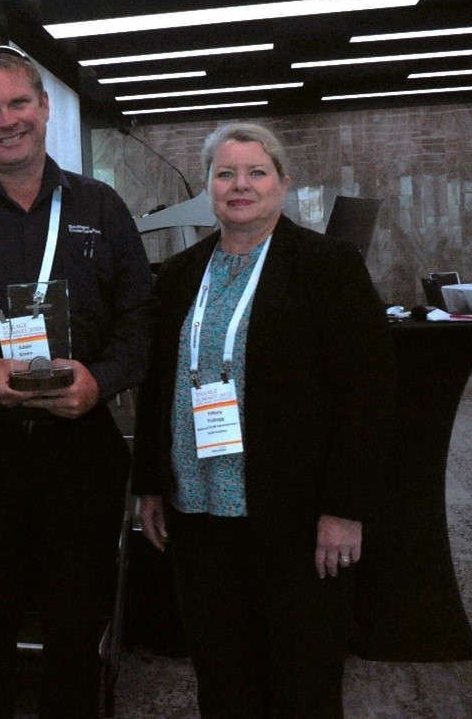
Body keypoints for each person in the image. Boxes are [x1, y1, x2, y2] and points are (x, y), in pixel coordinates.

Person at [0, 45, 153, 718]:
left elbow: (141, 320)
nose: (6, 120)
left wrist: (99, 382)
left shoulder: (102, 206)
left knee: (76, 631)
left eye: (18, 104)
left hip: (81, 447)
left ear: (43, 108)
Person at [132, 122, 395, 718]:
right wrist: (150, 482)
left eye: (256, 172)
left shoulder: (328, 264)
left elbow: (368, 394)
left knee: (301, 675)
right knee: (222, 672)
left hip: (295, 512)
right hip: (198, 509)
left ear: (283, 182)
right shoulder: (179, 275)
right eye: (225, 174)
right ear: (208, 187)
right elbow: (158, 387)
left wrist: (346, 507)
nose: (240, 185)